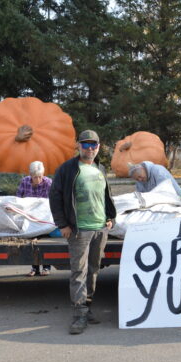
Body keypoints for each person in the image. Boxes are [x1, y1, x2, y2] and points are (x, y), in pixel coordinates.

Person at [49, 130, 116, 334]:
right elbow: (55, 197)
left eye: (93, 145)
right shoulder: (67, 169)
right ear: (78, 146)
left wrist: (110, 218)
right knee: (79, 271)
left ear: (99, 147)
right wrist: (62, 224)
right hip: (79, 230)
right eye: (85, 144)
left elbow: (105, 195)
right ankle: (79, 314)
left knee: (94, 269)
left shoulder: (99, 168)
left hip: (100, 228)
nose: (90, 148)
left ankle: (87, 307)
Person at [17, 160, 52, 277]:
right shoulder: (24, 182)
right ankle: (34, 267)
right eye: (35, 177)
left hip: (44, 217)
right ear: (30, 175)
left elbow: (54, 200)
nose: (38, 179)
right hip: (29, 217)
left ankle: (46, 267)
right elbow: (18, 198)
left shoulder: (48, 183)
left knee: (45, 242)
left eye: (40, 176)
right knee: (32, 242)